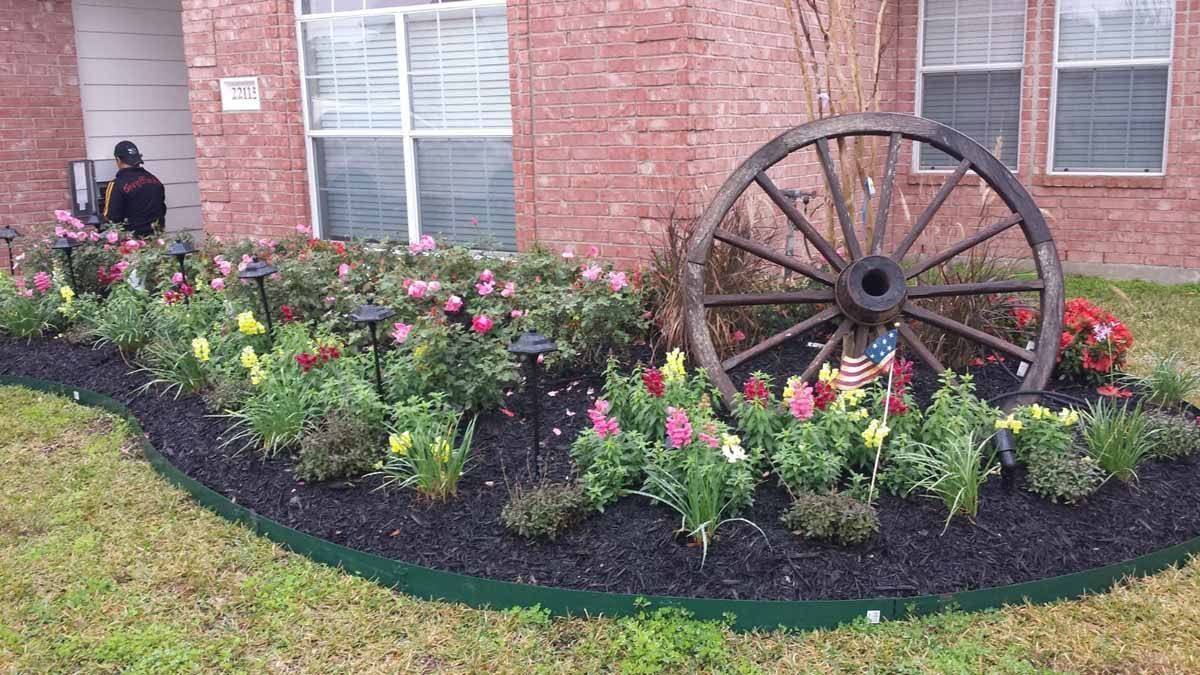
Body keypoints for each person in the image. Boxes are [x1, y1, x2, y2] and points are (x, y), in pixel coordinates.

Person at [103, 140, 166, 236]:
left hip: (132, 245)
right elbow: (162, 210)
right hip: (157, 241)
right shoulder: (155, 181)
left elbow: (111, 218)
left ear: (118, 159)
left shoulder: (116, 184)